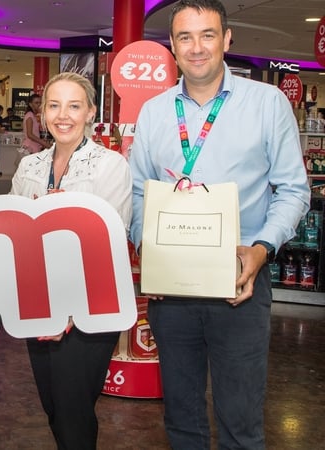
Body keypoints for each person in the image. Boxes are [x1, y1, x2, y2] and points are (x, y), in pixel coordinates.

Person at [129, 1, 310, 448]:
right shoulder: (154, 112)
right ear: (171, 45)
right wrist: (144, 244)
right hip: (172, 290)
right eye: (185, 37)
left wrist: (262, 249)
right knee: (182, 419)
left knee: (241, 423)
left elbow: (293, 190)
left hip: (241, 282)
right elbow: (137, 192)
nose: (196, 48)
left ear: (227, 39)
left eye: (207, 35)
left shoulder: (266, 104)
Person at [10, 72, 132, 449]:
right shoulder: (29, 167)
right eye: (54, 105)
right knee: (54, 409)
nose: (63, 115)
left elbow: (106, 245)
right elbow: (15, 239)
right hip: (38, 308)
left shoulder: (109, 166)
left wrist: (66, 309)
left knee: (73, 411)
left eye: (74, 106)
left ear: (90, 112)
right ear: (43, 113)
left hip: (88, 310)